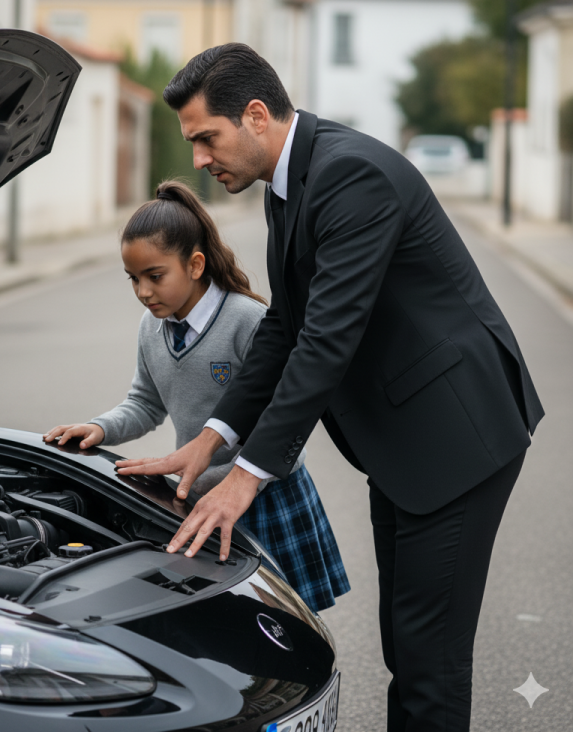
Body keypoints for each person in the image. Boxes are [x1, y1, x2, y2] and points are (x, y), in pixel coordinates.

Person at [114, 44, 544, 732]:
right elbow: (285, 325)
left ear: (256, 116)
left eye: (206, 138)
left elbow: (325, 340)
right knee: (407, 645)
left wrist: (245, 477)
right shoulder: (289, 182)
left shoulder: (350, 175)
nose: (197, 158)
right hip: (403, 442)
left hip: (458, 434)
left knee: (429, 662)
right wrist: (212, 439)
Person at [43, 179, 350, 613]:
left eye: (155, 276)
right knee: (225, 620)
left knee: (288, 622)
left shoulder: (248, 320)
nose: (143, 292)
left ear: (195, 265)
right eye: (133, 279)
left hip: (266, 498)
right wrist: (99, 428)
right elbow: (145, 403)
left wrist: (229, 479)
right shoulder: (151, 328)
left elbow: (283, 416)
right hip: (201, 501)